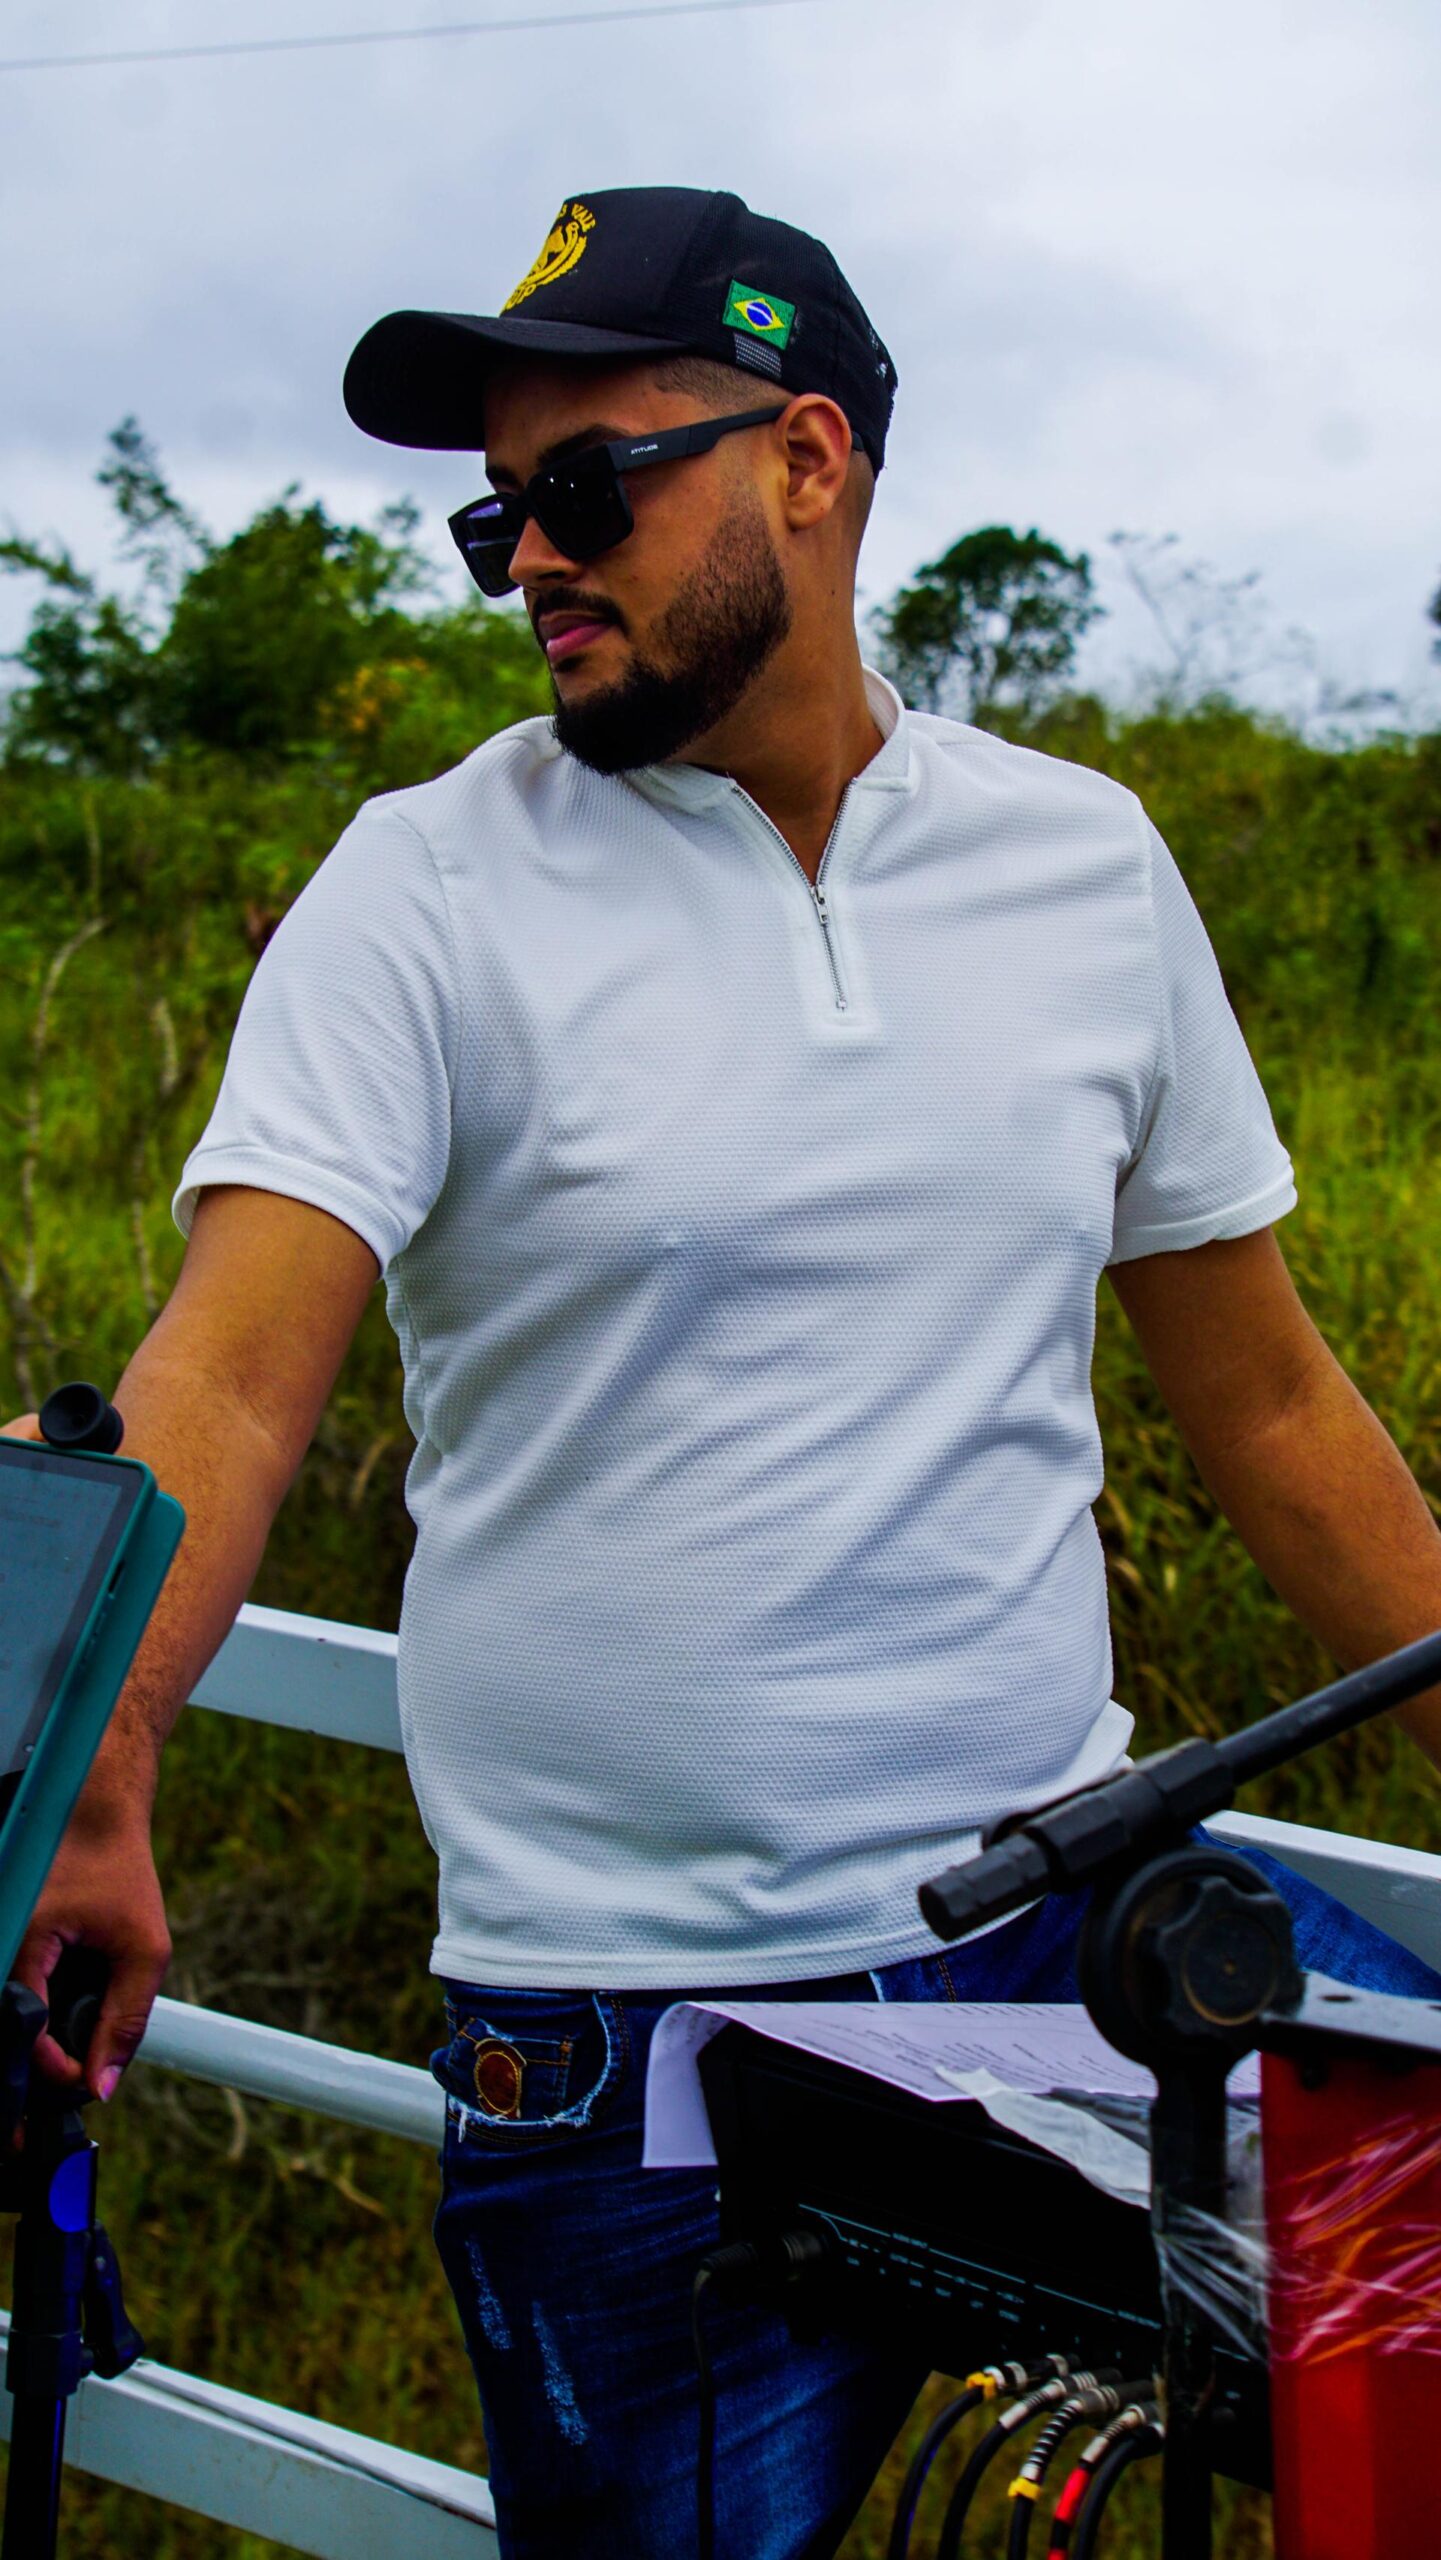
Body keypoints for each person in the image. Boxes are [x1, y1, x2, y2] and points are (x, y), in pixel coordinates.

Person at [6, 186, 1441, 2557]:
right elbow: (231, 1379)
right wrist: (93, 1754)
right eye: (495, 512)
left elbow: (1273, 1405)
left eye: (585, 486)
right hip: (629, 2044)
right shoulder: (424, 886)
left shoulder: (1083, 867)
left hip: (1063, 1944)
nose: (526, 559)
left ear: (805, 458)